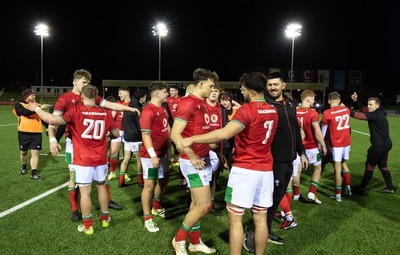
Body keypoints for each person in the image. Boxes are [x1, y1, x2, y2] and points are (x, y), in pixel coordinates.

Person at [177, 72, 278, 255]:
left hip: (244, 170)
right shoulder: (273, 110)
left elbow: (225, 133)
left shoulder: (247, 110)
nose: (242, 92)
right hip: (265, 170)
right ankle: (189, 240)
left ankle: (183, 240)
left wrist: (192, 140)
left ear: (252, 92)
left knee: (234, 220)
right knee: (261, 219)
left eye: (244, 90)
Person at [47, 69, 139, 221]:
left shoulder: (90, 95)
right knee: (73, 177)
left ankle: (107, 201)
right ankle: (75, 208)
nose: (86, 85)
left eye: (88, 82)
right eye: (83, 82)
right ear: (74, 82)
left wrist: (129, 108)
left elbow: (111, 105)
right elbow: (53, 121)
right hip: (75, 143)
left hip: (96, 142)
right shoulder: (64, 99)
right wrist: (52, 139)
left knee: (103, 176)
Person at [29, 85, 118, 235]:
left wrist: (36, 109)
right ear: (96, 97)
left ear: (82, 97)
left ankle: (88, 226)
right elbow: (115, 133)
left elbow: (51, 119)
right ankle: (104, 219)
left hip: (83, 159)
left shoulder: (76, 111)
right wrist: (107, 135)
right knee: (102, 187)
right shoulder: (105, 113)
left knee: (85, 193)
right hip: (101, 158)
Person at [243, 72, 307, 251]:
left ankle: (265, 229)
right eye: (269, 85)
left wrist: (301, 152)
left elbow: (295, 129)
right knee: (268, 199)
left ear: (283, 86)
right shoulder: (265, 106)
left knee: (277, 197)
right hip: (273, 161)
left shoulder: (290, 104)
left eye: (275, 84)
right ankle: (255, 231)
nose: (272, 87)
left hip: (290, 159)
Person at [170, 68, 219, 255]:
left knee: (196, 205)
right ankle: (179, 239)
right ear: (201, 84)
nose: (212, 89)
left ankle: (195, 242)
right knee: (205, 205)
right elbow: (176, 134)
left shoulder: (203, 103)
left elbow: (200, 132)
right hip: (192, 162)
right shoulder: (188, 103)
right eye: (210, 85)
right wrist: (192, 155)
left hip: (203, 158)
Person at [140, 82, 171, 232]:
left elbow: (167, 128)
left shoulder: (163, 109)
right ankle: (147, 218)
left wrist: (171, 144)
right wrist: (153, 156)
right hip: (150, 157)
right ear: (157, 94)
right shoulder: (148, 111)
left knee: (165, 180)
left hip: (163, 154)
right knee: (149, 186)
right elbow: (145, 135)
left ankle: (156, 207)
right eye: (165, 92)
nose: (167, 94)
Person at [350, 92, 395, 194]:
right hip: (386, 144)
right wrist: (356, 101)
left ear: (377, 105)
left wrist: (345, 111)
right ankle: (390, 188)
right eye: (368, 104)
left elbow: (359, 115)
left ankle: (361, 188)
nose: (368, 106)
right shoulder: (378, 112)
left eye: (371, 104)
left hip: (379, 145)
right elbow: (365, 110)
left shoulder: (376, 115)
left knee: (370, 165)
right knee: (383, 165)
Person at [12, 87, 51, 180]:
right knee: (23, 152)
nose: (34, 96)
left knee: (35, 153)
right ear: (26, 97)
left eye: (34, 94)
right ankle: (24, 167)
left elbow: (41, 118)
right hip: (23, 133)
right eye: (31, 95)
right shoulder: (19, 105)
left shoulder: (37, 105)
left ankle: (34, 173)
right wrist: (39, 108)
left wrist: (48, 127)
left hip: (36, 133)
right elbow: (24, 113)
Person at [296, 90, 327, 204]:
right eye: (313, 98)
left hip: (297, 147)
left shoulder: (294, 111)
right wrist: (323, 145)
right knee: (318, 167)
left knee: (297, 171)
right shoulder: (312, 113)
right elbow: (317, 132)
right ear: (308, 99)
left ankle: (296, 193)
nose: (314, 100)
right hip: (310, 147)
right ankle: (312, 192)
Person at [321, 91, 352, 202]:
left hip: (336, 144)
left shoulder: (327, 113)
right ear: (339, 100)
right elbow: (343, 109)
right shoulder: (347, 109)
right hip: (347, 142)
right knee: (344, 164)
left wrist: (321, 144)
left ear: (329, 101)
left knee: (337, 168)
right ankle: (348, 187)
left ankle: (338, 195)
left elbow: (323, 131)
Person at [119, 89, 146, 188]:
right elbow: (140, 126)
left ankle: (121, 181)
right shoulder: (138, 109)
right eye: (145, 97)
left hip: (127, 138)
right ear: (141, 98)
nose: (145, 99)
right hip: (136, 139)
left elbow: (123, 123)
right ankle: (140, 181)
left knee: (126, 159)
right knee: (140, 160)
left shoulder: (128, 108)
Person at [108, 86, 132, 185]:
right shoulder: (117, 105)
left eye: (120, 93)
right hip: (118, 131)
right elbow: (111, 117)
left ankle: (124, 173)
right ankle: (112, 172)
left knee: (127, 155)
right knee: (114, 153)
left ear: (126, 93)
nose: (119, 95)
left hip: (128, 131)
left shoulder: (132, 104)